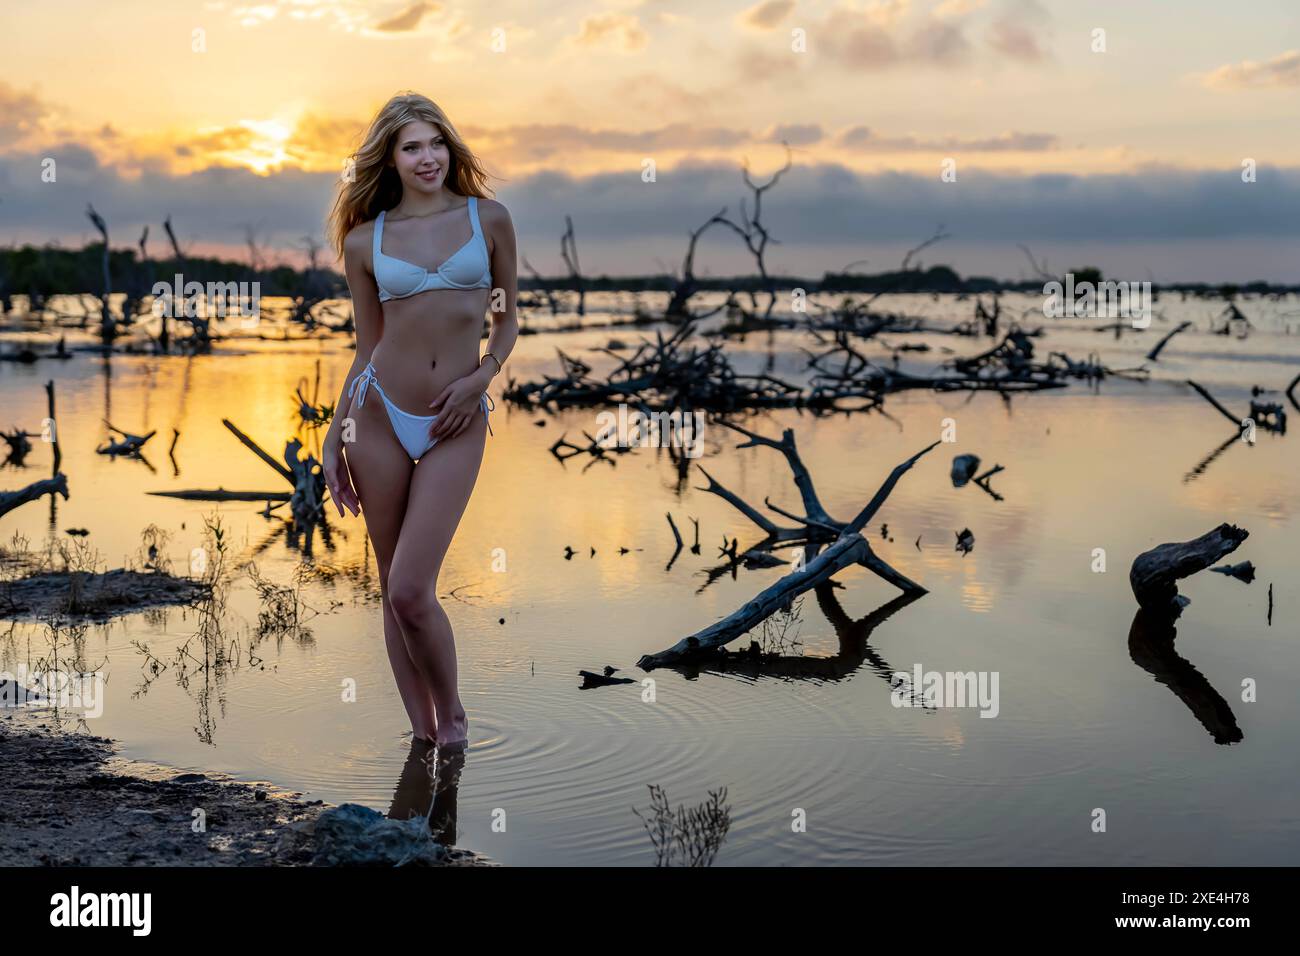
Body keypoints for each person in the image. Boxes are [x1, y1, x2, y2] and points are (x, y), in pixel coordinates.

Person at [323, 92, 518, 752]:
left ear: (450, 148)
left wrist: (482, 378)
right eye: (412, 147)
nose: (427, 156)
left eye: (436, 143)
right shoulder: (364, 241)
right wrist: (332, 436)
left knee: (412, 587)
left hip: (455, 421)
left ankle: (454, 722)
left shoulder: (488, 219)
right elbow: (364, 345)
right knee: (391, 588)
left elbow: (508, 318)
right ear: (392, 158)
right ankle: (424, 737)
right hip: (377, 417)